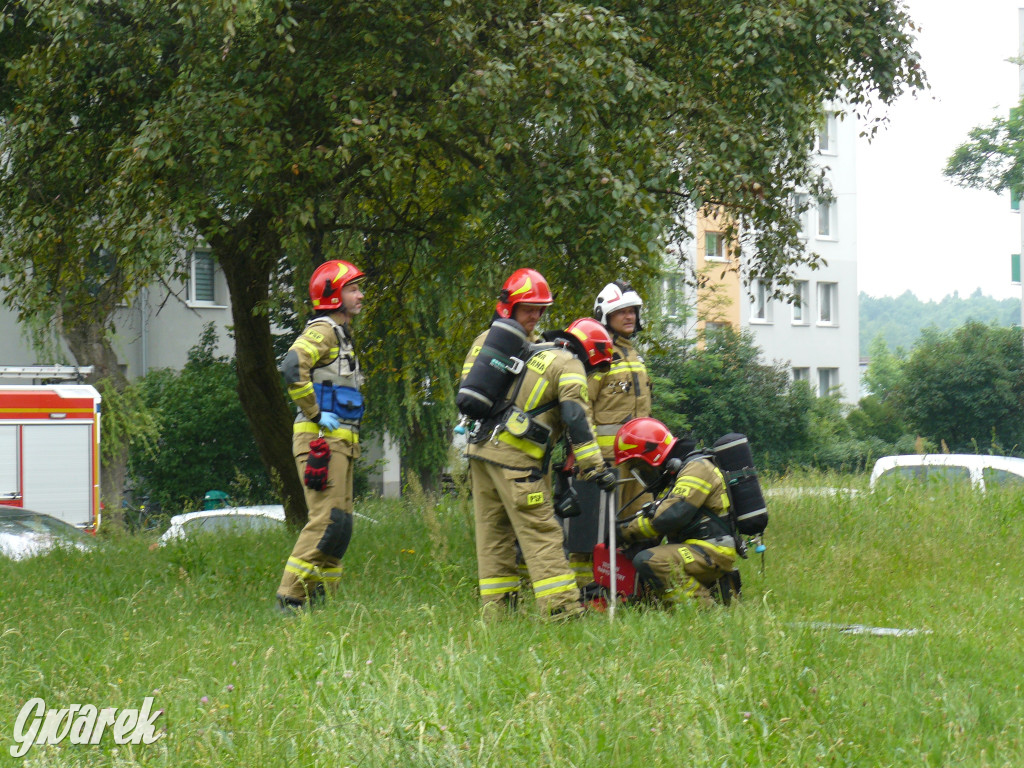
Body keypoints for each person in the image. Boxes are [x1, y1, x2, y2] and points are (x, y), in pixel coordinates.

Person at [463, 269, 617, 620]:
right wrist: (595, 468)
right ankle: (562, 609)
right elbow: (577, 418)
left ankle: (498, 611)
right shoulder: (568, 363)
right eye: (529, 308)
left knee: (494, 534)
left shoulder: (509, 347)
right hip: (516, 460)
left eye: (540, 310)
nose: (535, 316)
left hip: (480, 451)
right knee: (541, 531)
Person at [276, 259, 366, 612]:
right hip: (320, 441)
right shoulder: (324, 330)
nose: (360, 295)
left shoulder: (342, 334)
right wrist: (315, 412)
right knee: (327, 522)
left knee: (340, 526)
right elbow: (292, 366)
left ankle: (323, 600)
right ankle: (291, 598)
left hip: (341, 443)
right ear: (332, 295)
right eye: (352, 289)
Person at [563, 280, 653, 593]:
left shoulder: (633, 354)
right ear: (605, 315)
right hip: (601, 463)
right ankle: (585, 591)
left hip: (636, 461)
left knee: (634, 526)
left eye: (632, 311)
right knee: (589, 533)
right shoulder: (597, 352)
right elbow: (581, 406)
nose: (629, 316)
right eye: (621, 311)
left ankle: (626, 589)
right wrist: (586, 456)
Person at [612, 417, 740, 608]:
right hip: (695, 548)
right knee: (643, 556)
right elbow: (659, 519)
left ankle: (704, 608)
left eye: (640, 466)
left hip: (713, 550)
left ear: (652, 455)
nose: (641, 473)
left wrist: (625, 531)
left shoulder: (697, 468)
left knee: (650, 561)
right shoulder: (673, 476)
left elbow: (671, 516)